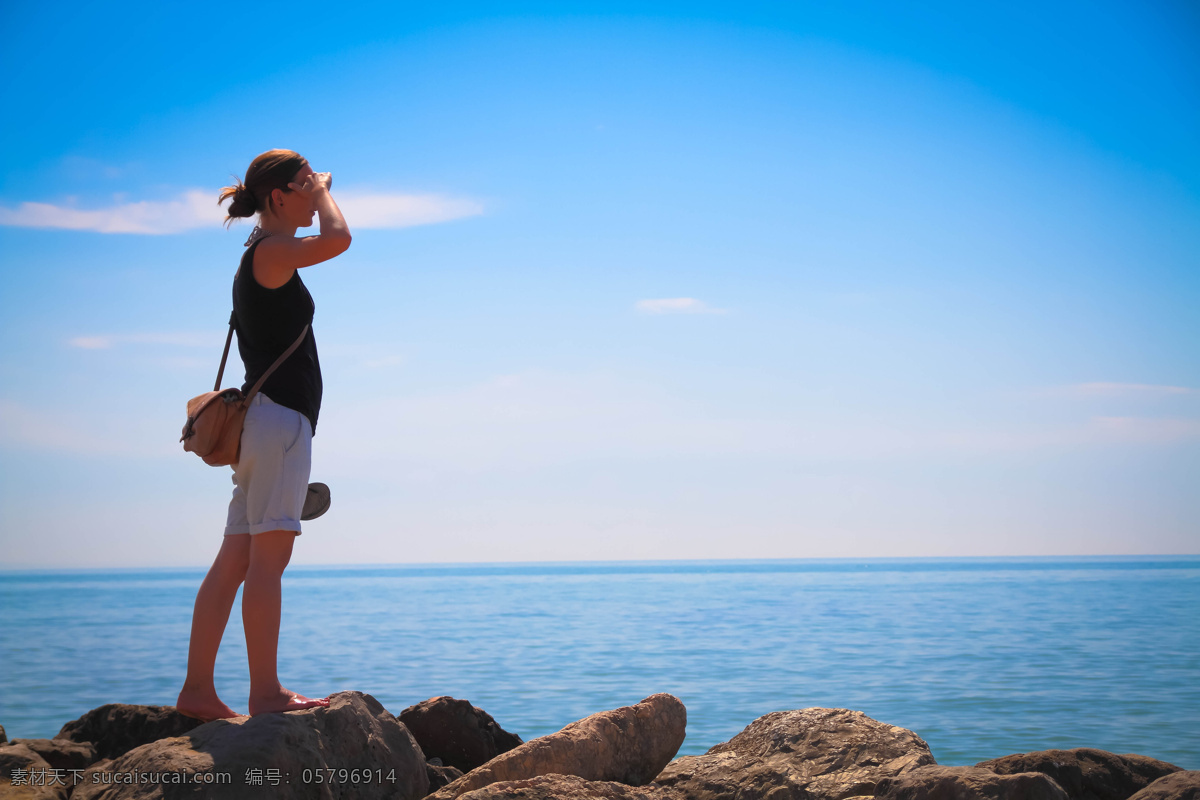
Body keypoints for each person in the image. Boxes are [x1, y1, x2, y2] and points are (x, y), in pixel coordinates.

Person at [175, 149, 351, 720]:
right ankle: (266, 693)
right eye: (301, 187)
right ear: (279, 197)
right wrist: (323, 193)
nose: (314, 194)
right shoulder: (273, 251)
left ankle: (198, 692)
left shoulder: (260, 253)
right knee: (266, 565)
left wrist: (313, 187)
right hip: (278, 426)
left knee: (234, 561)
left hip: (263, 425)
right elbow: (339, 238)